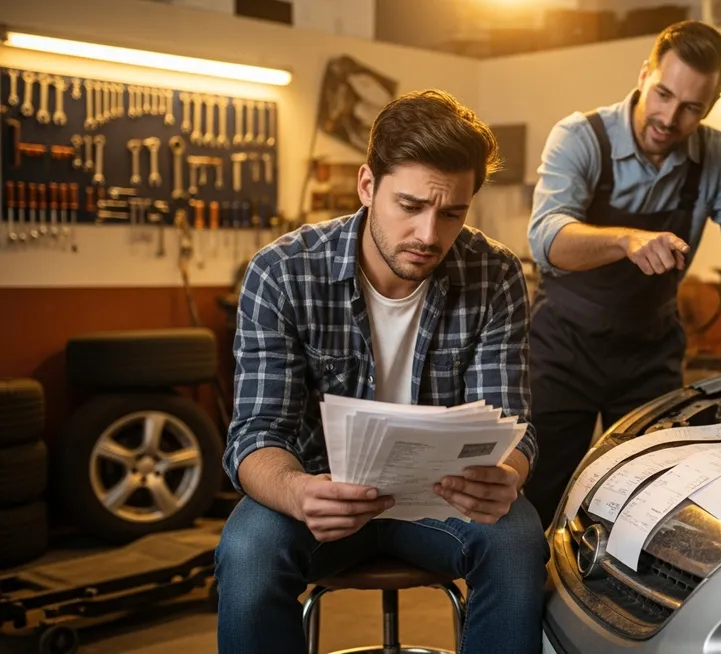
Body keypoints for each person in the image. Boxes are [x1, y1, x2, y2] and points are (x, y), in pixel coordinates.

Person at [214, 89, 548, 654]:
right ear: (367, 186)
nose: (428, 234)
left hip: (445, 503)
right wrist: (298, 493)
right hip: (318, 498)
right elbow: (254, 435)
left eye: (452, 213)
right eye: (410, 206)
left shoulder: (495, 274)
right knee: (247, 551)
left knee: (516, 539)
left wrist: (508, 475)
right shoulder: (281, 273)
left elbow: (514, 424)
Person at [523, 20, 721, 527]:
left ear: (712, 105)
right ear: (643, 74)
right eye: (662, 94)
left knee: (648, 502)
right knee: (536, 496)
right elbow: (547, 238)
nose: (669, 118)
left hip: (648, 354)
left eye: (691, 107)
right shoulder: (580, 137)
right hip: (563, 351)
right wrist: (625, 240)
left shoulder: (716, 157)